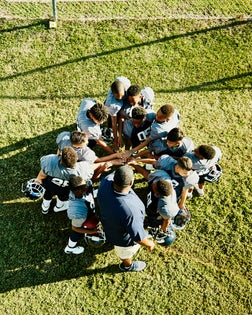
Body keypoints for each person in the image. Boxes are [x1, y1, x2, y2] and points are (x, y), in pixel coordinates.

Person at [97, 166, 155, 272]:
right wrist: (149, 243)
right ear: (131, 182)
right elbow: (138, 237)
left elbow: (113, 174)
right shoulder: (130, 211)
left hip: (108, 222)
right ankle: (127, 266)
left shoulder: (105, 182)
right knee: (125, 253)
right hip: (122, 239)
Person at [35, 146, 94, 215]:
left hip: (50, 185)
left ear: (61, 159)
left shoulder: (50, 162)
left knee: (47, 195)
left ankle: (45, 208)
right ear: (76, 158)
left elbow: (43, 162)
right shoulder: (82, 169)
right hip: (65, 189)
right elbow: (89, 175)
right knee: (62, 198)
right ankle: (58, 206)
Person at [64, 175, 99, 254]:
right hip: (82, 216)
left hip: (87, 210)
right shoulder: (77, 212)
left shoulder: (81, 188)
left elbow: (90, 183)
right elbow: (75, 228)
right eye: (84, 185)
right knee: (77, 233)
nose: (86, 184)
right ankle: (70, 247)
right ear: (80, 190)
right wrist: (91, 232)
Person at [56, 130, 126, 165]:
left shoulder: (63, 136)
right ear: (76, 145)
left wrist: (58, 154)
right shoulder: (85, 153)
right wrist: (115, 155)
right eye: (85, 142)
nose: (87, 142)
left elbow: (59, 147)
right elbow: (98, 160)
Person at [104, 76, 131, 150]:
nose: (120, 98)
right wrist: (116, 140)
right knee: (111, 123)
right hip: (113, 107)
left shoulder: (127, 85)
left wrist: (120, 136)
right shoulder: (111, 104)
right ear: (113, 94)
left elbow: (121, 117)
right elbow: (114, 122)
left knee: (125, 114)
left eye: (122, 95)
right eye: (117, 96)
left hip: (125, 101)